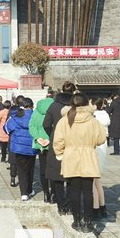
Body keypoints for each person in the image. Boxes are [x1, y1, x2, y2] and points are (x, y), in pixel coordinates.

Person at [53, 92, 106, 233]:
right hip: (88, 157)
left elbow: (58, 141)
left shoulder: (65, 120)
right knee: (88, 191)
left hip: (71, 157)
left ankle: (76, 220)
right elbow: (101, 139)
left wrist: (60, 154)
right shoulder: (92, 120)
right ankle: (88, 222)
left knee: (74, 191)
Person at [43, 81, 76, 215]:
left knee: (57, 175)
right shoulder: (77, 105)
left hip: (56, 141)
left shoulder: (54, 106)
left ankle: (61, 205)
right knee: (72, 176)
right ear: (74, 91)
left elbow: (46, 124)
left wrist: (53, 134)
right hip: (74, 142)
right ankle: (70, 205)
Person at [4, 97, 39, 201]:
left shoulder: (15, 116)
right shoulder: (36, 116)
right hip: (32, 146)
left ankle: (24, 193)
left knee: (22, 170)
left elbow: (6, 129)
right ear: (32, 106)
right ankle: (29, 189)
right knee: (30, 170)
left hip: (18, 147)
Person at [29, 91, 55, 203]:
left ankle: (46, 193)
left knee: (43, 170)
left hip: (40, 144)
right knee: (54, 169)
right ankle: (53, 193)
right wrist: (50, 139)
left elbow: (31, 125)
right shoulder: (55, 109)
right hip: (53, 142)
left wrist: (38, 138)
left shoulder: (37, 110)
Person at [92, 97, 110, 219]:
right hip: (103, 146)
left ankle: (95, 208)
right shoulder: (105, 115)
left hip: (94, 148)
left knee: (92, 182)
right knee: (97, 180)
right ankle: (103, 206)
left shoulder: (93, 117)